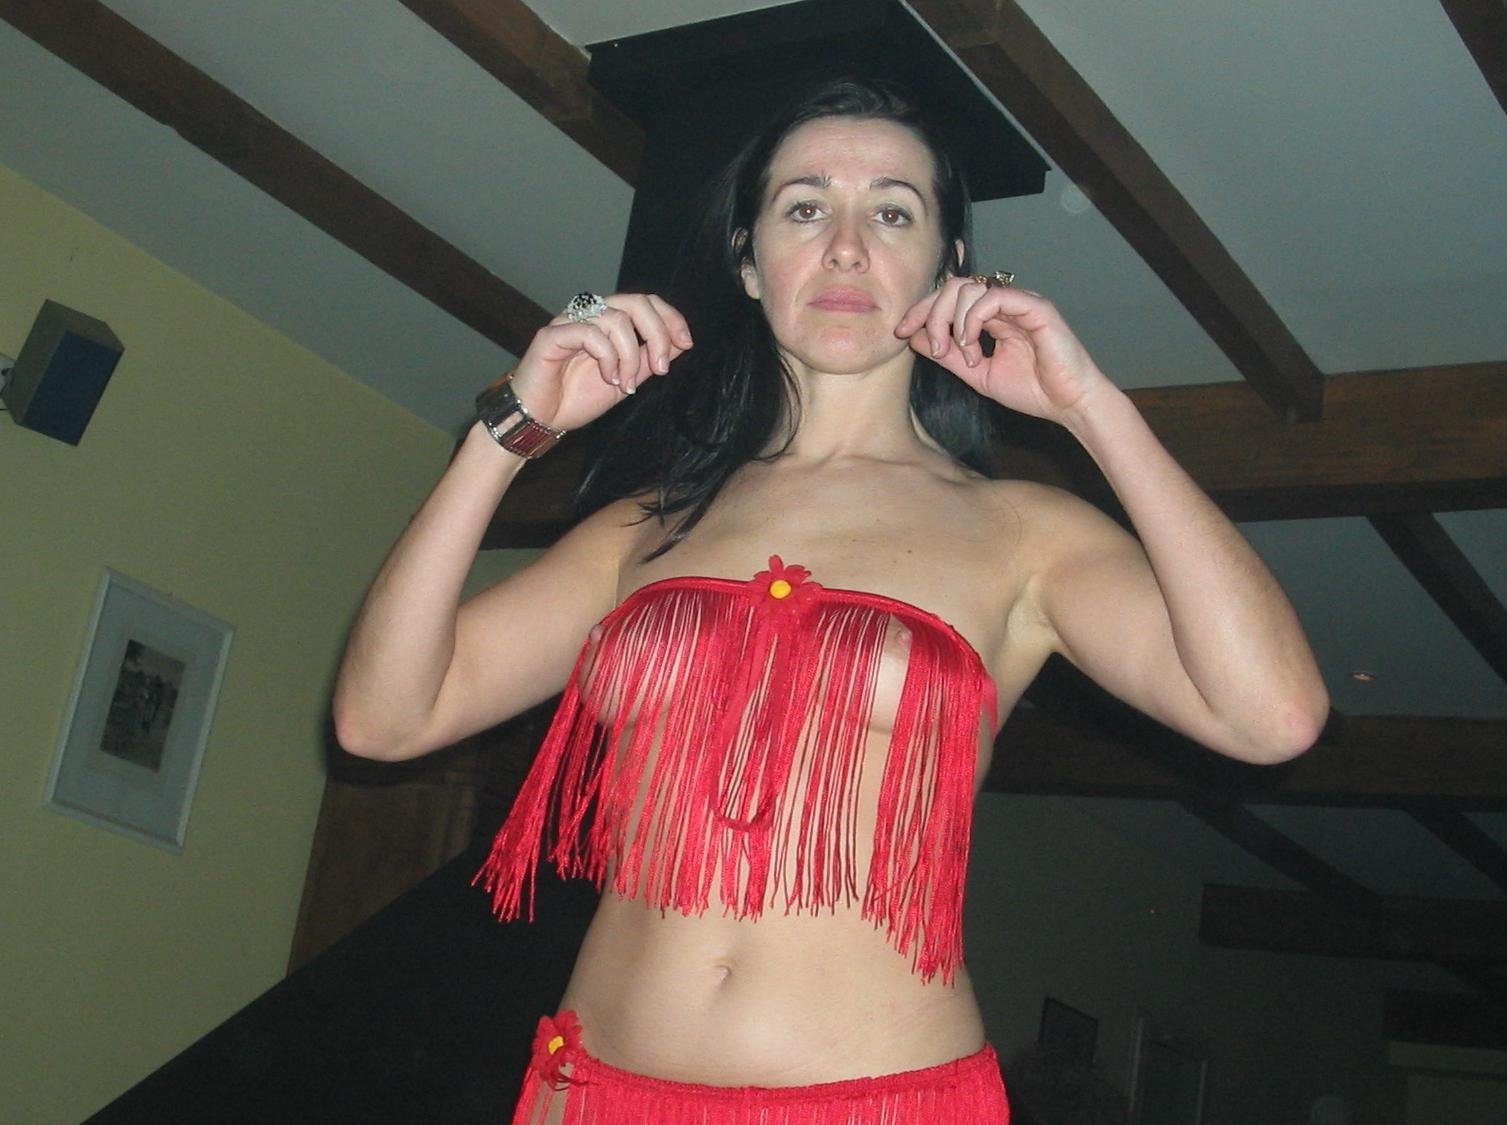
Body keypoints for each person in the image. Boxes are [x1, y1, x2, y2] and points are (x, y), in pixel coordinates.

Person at [333, 78, 1329, 1124]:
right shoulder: (645, 529)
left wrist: (1092, 410)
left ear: (946, 267)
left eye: (892, 213)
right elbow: (385, 718)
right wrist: (506, 436)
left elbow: (1270, 715)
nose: (846, 247)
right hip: (589, 1097)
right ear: (747, 260)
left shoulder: (1023, 533)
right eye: (804, 208)